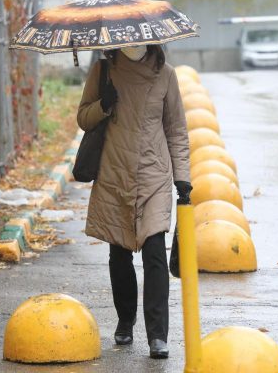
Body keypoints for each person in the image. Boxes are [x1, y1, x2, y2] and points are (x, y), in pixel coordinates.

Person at [77, 44, 192, 359]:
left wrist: (182, 178)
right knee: (119, 253)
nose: (133, 45)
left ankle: (158, 335)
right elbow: (84, 118)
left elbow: (177, 130)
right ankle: (125, 320)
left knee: (155, 252)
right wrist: (104, 104)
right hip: (115, 173)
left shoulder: (165, 75)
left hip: (153, 174)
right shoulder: (103, 71)